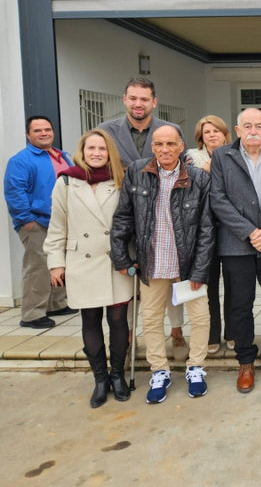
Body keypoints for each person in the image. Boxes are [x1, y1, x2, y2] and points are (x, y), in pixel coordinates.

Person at [110, 125, 215, 404]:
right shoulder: (137, 171)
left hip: (187, 263)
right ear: (152, 147)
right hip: (152, 263)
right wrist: (120, 256)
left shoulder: (197, 178)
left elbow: (207, 228)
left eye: (170, 144)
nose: (164, 149)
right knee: (152, 319)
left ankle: (195, 367)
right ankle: (160, 371)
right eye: (158, 144)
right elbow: (123, 217)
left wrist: (200, 269)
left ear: (181, 146)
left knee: (201, 317)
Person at [98, 78, 189, 361]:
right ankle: (126, 339)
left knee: (172, 277)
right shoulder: (105, 131)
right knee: (127, 280)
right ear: (124, 99)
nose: (138, 104)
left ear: (154, 102)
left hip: (163, 218)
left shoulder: (169, 130)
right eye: (133, 98)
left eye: (144, 99)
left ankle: (176, 331)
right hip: (123, 214)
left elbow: (180, 167)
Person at [44, 129, 133, 408]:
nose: (96, 153)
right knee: (90, 320)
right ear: (81, 151)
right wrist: (55, 263)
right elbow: (57, 225)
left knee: (118, 320)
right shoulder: (67, 183)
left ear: (110, 153)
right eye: (90, 148)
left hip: (115, 262)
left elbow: (134, 222)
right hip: (80, 262)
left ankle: (117, 375)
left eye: (102, 149)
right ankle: (100, 379)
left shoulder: (121, 178)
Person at [210, 108, 261, 393]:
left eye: (259, 126)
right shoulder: (222, 156)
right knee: (240, 307)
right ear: (237, 130)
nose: (253, 131)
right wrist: (249, 231)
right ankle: (245, 362)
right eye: (248, 126)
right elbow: (217, 199)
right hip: (236, 245)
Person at [4, 115, 76, 328]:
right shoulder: (21, 160)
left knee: (59, 263)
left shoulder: (61, 156)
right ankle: (32, 314)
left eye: (47, 129)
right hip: (36, 223)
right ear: (28, 134)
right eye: (37, 130)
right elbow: (15, 191)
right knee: (37, 267)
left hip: (61, 221)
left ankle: (56, 303)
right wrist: (26, 220)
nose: (44, 133)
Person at [185, 115, 231, 355]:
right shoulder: (191, 158)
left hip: (232, 228)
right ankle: (212, 334)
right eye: (207, 132)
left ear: (225, 134)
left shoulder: (236, 155)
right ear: (201, 137)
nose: (212, 135)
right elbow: (187, 192)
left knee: (234, 285)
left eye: (216, 131)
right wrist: (204, 171)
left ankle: (233, 331)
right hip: (203, 230)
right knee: (209, 284)